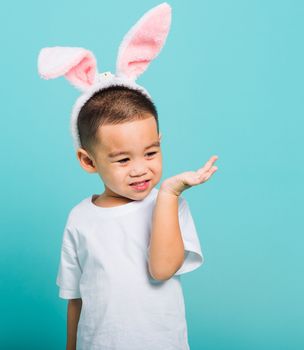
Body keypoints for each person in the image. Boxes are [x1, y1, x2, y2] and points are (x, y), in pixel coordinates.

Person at [38, 3, 218, 349]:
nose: (140, 168)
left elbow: (162, 269)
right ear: (88, 162)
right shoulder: (80, 219)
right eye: (122, 159)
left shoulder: (169, 204)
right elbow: (75, 299)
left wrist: (168, 195)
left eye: (151, 153)